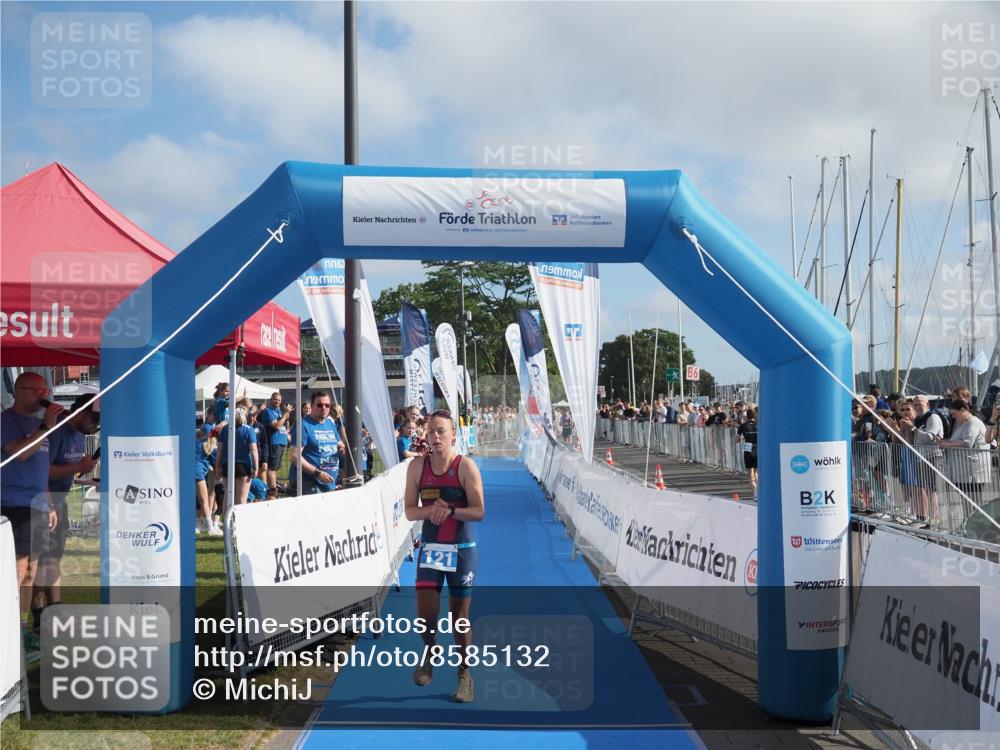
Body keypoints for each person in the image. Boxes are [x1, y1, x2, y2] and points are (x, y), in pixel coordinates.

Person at [404, 410, 485, 703]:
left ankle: (465, 673)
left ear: (453, 435)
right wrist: (433, 510)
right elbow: (411, 511)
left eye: (441, 432)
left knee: (459, 618)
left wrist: (450, 510)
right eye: (431, 432)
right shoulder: (416, 467)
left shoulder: (465, 467)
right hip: (432, 549)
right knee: (425, 616)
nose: (435, 437)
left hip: (461, 550)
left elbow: (478, 511)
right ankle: (429, 652)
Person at [0, 373, 62, 657]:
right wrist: (46, 427)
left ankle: (22, 631)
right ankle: (8, 633)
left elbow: (41, 470)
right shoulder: (7, 421)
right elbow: (19, 454)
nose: (43, 395)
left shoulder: (41, 426)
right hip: (13, 503)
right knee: (17, 570)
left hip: (35, 504)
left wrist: (48, 503)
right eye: (37, 391)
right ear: (19, 391)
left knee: (31, 572)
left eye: (45, 390)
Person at [32, 394, 99, 633]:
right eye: (95, 419)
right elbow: (43, 471)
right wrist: (78, 467)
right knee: (38, 563)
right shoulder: (57, 430)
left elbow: (68, 467)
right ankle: (39, 619)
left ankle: (56, 611)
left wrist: (80, 467)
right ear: (81, 412)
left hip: (58, 501)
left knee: (53, 559)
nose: (97, 425)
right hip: (42, 501)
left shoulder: (79, 434)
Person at [936, 398, 990, 525]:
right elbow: (958, 440)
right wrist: (945, 441)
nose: (953, 417)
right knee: (966, 500)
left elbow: (966, 443)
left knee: (973, 500)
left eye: (954, 414)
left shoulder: (973, 422)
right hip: (963, 470)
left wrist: (947, 445)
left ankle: (977, 525)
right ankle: (968, 522)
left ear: (963, 410)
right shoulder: (961, 423)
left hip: (974, 472)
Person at [291, 391, 342, 493]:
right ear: (312, 406)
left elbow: (339, 444)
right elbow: (294, 456)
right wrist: (317, 473)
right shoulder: (303, 425)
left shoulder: (330, 423)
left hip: (329, 482)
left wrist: (342, 449)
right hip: (309, 483)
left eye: (327, 405)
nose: (323, 408)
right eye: (319, 405)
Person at [214, 407, 258, 505]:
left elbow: (219, 451)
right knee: (241, 500)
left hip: (227, 464)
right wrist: (256, 467)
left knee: (228, 498)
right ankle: (238, 520)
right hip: (243, 466)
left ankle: (227, 519)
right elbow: (253, 450)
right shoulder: (249, 429)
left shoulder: (225, 429)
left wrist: (218, 468)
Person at [261, 392, 293, 497]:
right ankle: (272, 491)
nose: (277, 402)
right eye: (275, 399)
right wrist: (286, 413)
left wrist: (286, 416)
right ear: (271, 399)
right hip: (274, 442)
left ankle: (273, 489)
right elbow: (277, 426)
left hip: (281, 442)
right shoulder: (268, 411)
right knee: (272, 468)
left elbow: (284, 426)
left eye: (279, 400)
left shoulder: (279, 411)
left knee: (276, 468)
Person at [737, 407, 759, 489]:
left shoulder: (743, 426)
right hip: (757, 448)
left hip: (748, 448)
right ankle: (758, 491)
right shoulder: (758, 424)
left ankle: (754, 492)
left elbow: (737, 439)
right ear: (755, 416)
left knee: (750, 472)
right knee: (756, 472)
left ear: (747, 416)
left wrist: (742, 438)